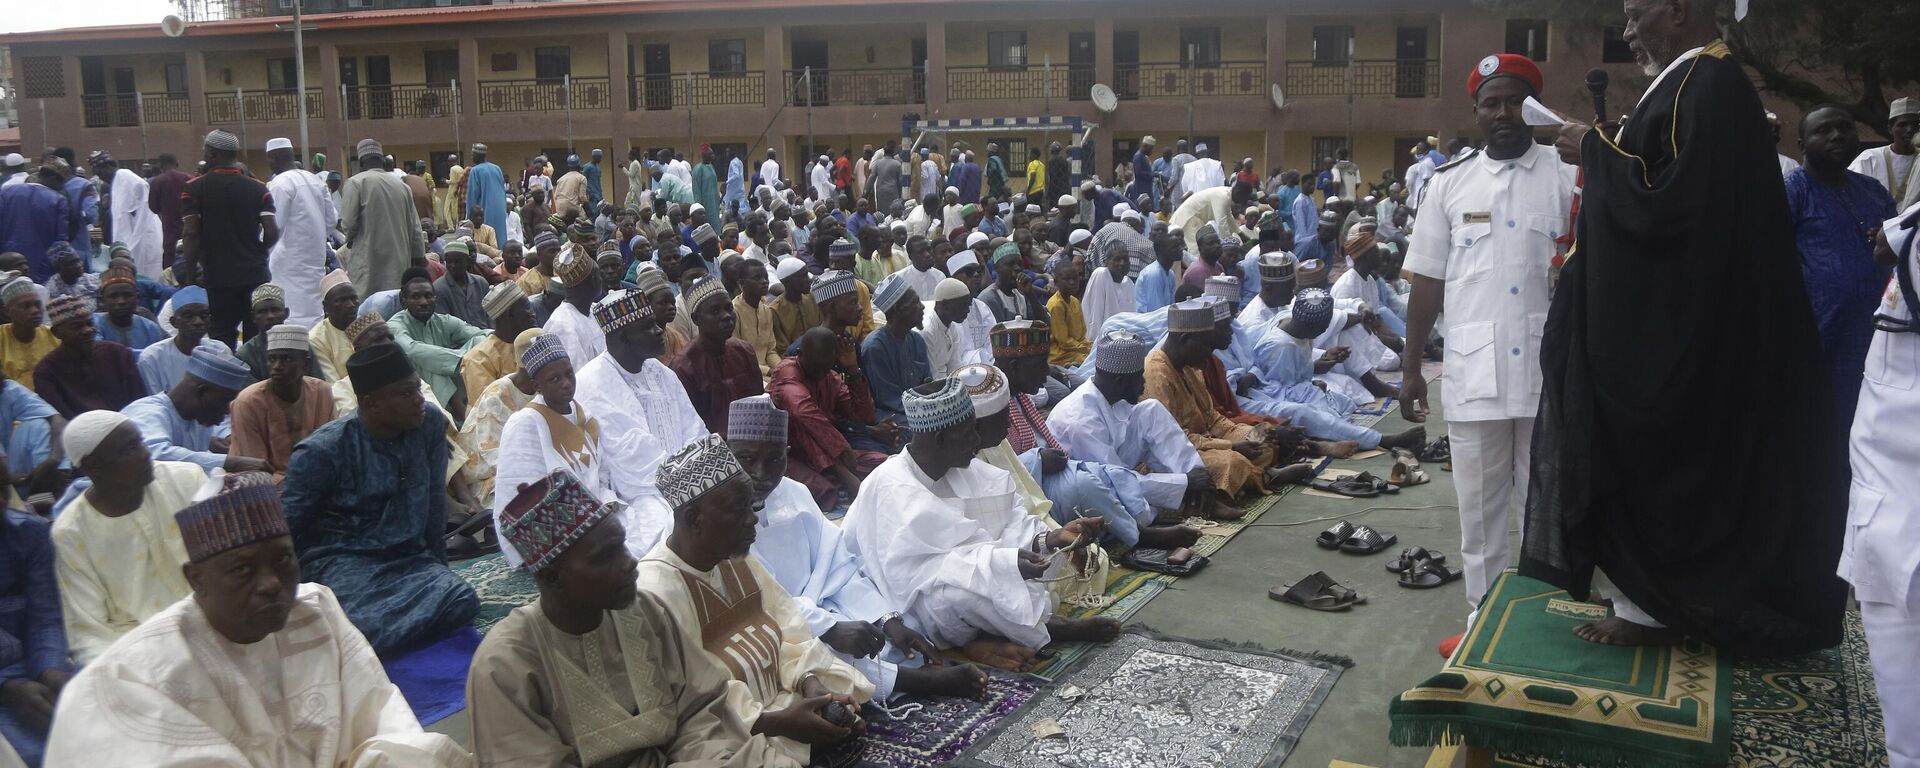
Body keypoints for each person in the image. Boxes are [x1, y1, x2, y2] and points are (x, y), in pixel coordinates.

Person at [1529, 0, 1843, 653]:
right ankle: (1650, 605)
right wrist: (1610, 149)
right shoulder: (1688, 81)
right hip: (1686, 319)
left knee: (1666, 456)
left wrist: (1592, 148)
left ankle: (1664, 606)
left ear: (1676, 11)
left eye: (1636, 12)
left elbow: (1677, 209)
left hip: (1685, 330)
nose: (1626, 29)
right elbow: (1665, 182)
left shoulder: (1709, 82)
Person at [44, 473, 470, 766]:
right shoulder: (134, 676)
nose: (271, 583)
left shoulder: (316, 609)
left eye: (283, 559)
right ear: (197, 580)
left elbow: (382, 720)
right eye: (243, 569)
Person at [1394, 54, 1578, 634]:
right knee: (1478, 506)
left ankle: (1542, 610)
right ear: (1475, 112)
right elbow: (1426, 281)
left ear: (1533, 108)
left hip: (1552, 370)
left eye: (1514, 101)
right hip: (1476, 370)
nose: (1502, 112)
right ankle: (1485, 614)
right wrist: (1411, 369)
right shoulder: (1449, 184)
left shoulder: (1570, 174)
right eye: (1491, 103)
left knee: (1545, 501)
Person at [467, 468, 784, 766]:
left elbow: (700, 714)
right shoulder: (504, 664)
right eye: (606, 557)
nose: (629, 563)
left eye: (622, 546)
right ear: (552, 578)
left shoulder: (644, 611)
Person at [844, 377, 1115, 671]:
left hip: (980, 570)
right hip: (904, 597)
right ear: (940, 439)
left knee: (1024, 570)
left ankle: (985, 638)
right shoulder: (891, 485)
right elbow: (915, 574)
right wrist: (1006, 562)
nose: (978, 440)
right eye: (969, 432)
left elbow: (1008, 524)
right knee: (955, 597)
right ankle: (1044, 629)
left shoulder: (971, 471)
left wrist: (1051, 539)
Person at [730, 395, 987, 702]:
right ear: (728, 452)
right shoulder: (722, 512)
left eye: (773, 460)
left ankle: (898, 673)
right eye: (746, 459)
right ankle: (921, 682)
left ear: (786, 454)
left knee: (905, 621)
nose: (760, 472)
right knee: (807, 656)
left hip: (820, 609)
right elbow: (758, 600)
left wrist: (887, 620)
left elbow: (839, 565)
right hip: (767, 623)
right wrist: (829, 628)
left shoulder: (795, 493)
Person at [635, 434, 875, 764]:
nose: (752, 520)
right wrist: (780, 723)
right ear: (693, 519)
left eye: (753, 506)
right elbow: (693, 699)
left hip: (780, 694)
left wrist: (810, 683)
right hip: (730, 722)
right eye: (738, 509)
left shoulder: (736, 557)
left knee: (840, 680)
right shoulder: (654, 592)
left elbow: (789, 628)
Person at [281, 343, 480, 655]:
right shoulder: (320, 453)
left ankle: (367, 643)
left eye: (417, 388)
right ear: (371, 404)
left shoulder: (427, 423)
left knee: (461, 598)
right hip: (343, 564)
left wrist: (439, 568)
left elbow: (432, 503)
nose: (418, 400)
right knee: (359, 623)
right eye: (405, 393)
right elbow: (286, 531)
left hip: (407, 557)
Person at [47, 411, 198, 665]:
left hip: (216, 622)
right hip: (139, 651)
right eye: (129, 449)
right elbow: (88, 631)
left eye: (140, 441)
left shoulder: (186, 479)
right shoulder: (70, 532)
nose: (145, 453)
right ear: (93, 466)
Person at [1788, 105, 1900, 430]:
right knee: (1822, 422)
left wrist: (1887, 236)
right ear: (1802, 145)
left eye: (1844, 127)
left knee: (1871, 421)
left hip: (1878, 330)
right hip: (1820, 332)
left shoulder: (1872, 189)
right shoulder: (1791, 191)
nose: (1837, 134)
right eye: (1823, 130)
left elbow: (1897, 249)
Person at [573, 289, 704, 556]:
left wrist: (701, 475)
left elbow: (694, 429)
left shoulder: (661, 373)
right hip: (632, 496)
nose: (659, 331)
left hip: (684, 478)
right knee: (665, 530)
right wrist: (686, 486)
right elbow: (630, 463)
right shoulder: (591, 383)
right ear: (622, 337)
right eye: (648, 327)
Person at [1144, 300, 1290, 500]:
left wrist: (1246, 435)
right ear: (1185, 339)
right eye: (1206, 344)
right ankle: (1266, 478)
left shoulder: (1190, 366)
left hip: (1207, 440)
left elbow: (1212, 417)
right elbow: (1173, 440)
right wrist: (1230, 447)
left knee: (1263, 441)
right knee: (1231, 462)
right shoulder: (1156, 373)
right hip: (1178, 453)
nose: (1209, 351)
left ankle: (1239, 484)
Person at [768, 328, 894, 509]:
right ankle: (840, 474)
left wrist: (853, 370)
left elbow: (863, 416)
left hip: (828, 453)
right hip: (789, 454)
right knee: (824, 492)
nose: (820, 374)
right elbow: (802, 412)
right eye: (816, 367)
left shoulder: (829, 376)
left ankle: (841, 475)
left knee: (885, 463)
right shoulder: (787, 372)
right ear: (800, 354)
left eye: (825, 368)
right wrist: (842, 450)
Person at [178, 130, 279, 347]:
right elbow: (271, 231)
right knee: (257, 337)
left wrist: (190, 274)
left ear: (212, 153)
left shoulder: (194, 188)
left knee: (222, 335)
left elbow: (191, 233)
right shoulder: (258, 188)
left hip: (217, 277)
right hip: (254, 274)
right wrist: (259, 252)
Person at [0, 463, 66, 767]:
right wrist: (6, 690)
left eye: (2, 490)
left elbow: (45, 616)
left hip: (32, 666)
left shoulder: (29, 533)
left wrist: (50, 670)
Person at [122, 348, 263, 476]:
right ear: (201, 391)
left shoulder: (196, 418)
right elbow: (154, 454)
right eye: (224, 401)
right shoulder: (148, 412)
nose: (227, 410)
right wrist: (230, 463)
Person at [228, 325, 335, 480]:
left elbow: (331, 450)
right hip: (263, 489)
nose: (277, 366)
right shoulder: (248, 402)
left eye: (287, 359)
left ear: (305, 364)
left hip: (315, 481)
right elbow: (255, 470)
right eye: (272, 359)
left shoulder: (321, 393)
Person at [670, 278, 763, 434]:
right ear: (696, 319)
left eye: (729, 308)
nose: (726, 316)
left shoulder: (744, 350)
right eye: (714, 311)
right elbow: (689, 428)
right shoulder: (683, 368)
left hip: (753, 437)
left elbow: (759, 404)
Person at [260, 141, 334, 330]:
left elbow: (274, 226)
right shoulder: (315, 180)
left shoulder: (280, 183)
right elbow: (331, 220)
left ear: (272, 158)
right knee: (314, 314)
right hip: (315, 258)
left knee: (292, 316)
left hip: (288, 262)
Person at [37, 294, 146, 420]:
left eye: (90, 324)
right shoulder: (46, 371)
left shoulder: (119, 354)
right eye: (77, 327)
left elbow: (140, 402)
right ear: (56, 333)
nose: (88, 330)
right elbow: (60, 417)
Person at [340, 139, 424, 298]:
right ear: (381, 160)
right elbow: (415, 228)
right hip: (398, 263)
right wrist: (418, 258)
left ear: (362, 160)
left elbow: (348, 224)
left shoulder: (356, 182)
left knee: (367, 312)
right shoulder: (402, 186)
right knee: (394, 307)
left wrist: (350, 239)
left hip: (368, 261)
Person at [860, 276, 932, 427]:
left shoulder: (917, 340)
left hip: (919, 408)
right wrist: (926, 411)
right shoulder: (875, 347)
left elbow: (927, 384)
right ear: (898, 310)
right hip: (890, 414)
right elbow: (888, 399)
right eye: (915, 302)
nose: (922, 307)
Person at [135, 286, 227, 395]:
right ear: (174, 322)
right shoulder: (152, 357)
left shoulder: (220, 351)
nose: (198, 322)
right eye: (188, 316)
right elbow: (154, 403)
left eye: (204, 316)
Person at [91, 151, 163, 277]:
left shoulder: (125, 176)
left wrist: (132, 240)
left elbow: (143, 194)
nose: (100, 177)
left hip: (143, 235)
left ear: (108, 166)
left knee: (148, 274)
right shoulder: (115, 183)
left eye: (100, 172)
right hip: (133, 239)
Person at [232, 283, 322, 382]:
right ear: (253, 317)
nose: (270, 316)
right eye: (263, 311)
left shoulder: (301, 346)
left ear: (286, 313)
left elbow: (318, 385)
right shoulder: (246, 354)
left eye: (275, 310)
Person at [0, 166, 71, 284]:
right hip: (43, 266)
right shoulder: (57, 199)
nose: (62, 187)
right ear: (54, 179)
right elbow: (61, 240)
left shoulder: (6, 193)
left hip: (8, 262)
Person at [1849, 96, 1920, 209]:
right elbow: (1852, 195)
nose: (1910, 129)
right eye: (1902, 125)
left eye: (1915, 124)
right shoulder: (1869, 158)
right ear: (1890, 129)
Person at [307, 269, 362, 382]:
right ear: (326, 307)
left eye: (353, 298)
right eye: (341, 300)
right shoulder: (316, 339)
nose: (351, 305)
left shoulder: (368, 326)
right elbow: (333, 386)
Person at [0, 279, 53, 394]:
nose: (35, 311)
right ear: (7, 311)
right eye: (25, 306)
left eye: (38, 305)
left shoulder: (53, 336)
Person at [1080, 246, 1136, 341]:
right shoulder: (1101, 274)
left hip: (1122, 342)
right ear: (1106, 262)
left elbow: (1132, 319)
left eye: (1125, 259)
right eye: (1117, 259)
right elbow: (1095, 319)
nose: (1122, 263)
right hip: (1100, 342)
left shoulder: (1129, 283)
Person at [432, 240, 492, 328]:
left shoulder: (481, 283)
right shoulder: (438, 288)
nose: (453, 265)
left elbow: (491, 315)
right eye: (449, 262)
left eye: (457, 262)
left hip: (486, 336)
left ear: (467, 261)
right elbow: (444, 325)